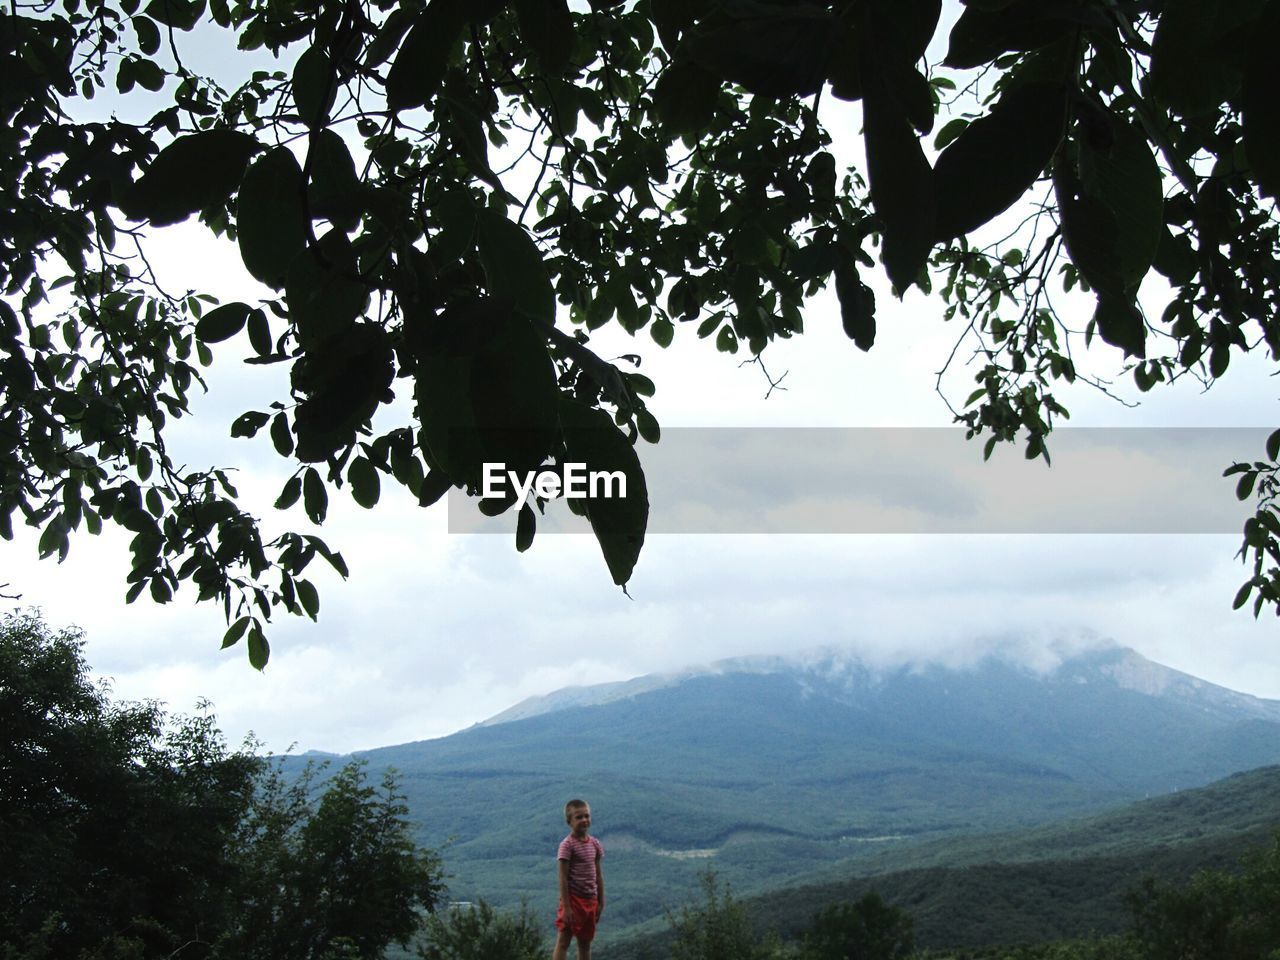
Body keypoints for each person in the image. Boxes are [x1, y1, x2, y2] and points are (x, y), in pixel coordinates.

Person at [553, 798, 605, 960]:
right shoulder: (567, 845)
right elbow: (562, 877)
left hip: (590, 901)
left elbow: (598, 875)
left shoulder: (595, 844)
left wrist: (601, 901)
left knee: (585, 944)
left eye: (587, 816)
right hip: (573, 900)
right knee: (564, 942)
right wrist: (567, 907)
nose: (584, 820)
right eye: (579, 817)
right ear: (569, 821)